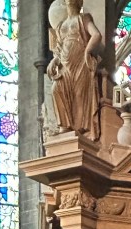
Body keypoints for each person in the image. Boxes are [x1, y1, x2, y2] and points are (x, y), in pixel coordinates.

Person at [47, 0, 103, 141]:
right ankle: (64, 126)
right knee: (56, 89)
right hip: (65, 65)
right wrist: (54, 60)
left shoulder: (84, 18)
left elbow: (96, 35)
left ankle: (79, 128)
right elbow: (58, 48)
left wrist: (87, 51)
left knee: (79, 95)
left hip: (80, 63)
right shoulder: (61, 25)